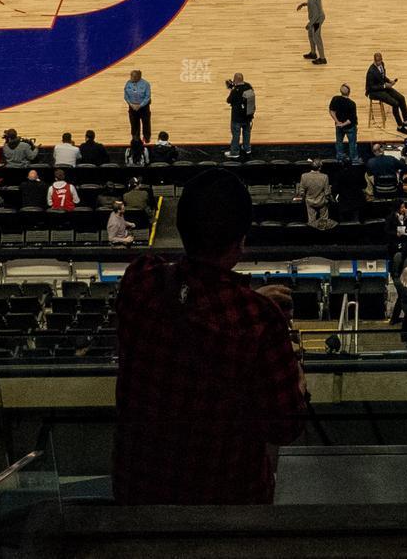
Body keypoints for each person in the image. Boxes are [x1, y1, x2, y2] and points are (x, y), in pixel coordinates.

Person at [112, 170, 307, 504]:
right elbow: (286, 426)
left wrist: (249, 300)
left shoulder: (140, 281)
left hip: (138, 497)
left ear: (181, 227)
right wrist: (294, 355)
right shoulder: (258, 320)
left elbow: (189, 294)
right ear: (241, 241)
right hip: (227, 506)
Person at [365, 53, 407, 132]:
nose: (379, 62)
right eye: (378, 61)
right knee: (395, 103)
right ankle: (399, 126)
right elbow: (370, 87)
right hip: (373, 92)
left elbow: (382, 76)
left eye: (380, 60)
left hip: (382, 87)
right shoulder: (371, 71)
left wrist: (389, 81)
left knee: (401, 98)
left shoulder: (382, 64)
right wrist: (384, 86)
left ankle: (406, 121)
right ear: (374, 60)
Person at [225, 73, 256, 158]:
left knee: (236, 135)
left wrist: (231, 89)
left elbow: (229, 100)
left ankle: (234, 152)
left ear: (235, 80)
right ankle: (247, 148)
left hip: (237, 118)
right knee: (247, 133)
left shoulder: (235, 90)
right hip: (248, 116)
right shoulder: (248, 86)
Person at [297, 0, 328, 64]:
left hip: (317, 20)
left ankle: (322, 58)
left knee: (317, 38)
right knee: (310, 35)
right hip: (316, 18)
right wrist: (304, 4)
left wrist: (309, 24)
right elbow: (315, 4)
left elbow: (316, 15)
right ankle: (313, 53)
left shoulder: (311, 0)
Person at [123, 69, 153, 150]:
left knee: (146, 123)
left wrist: (140, 105)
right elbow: (126, 96)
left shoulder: (146, 84)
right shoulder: (128, 83)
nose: (131, 78)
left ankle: (147, 137)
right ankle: (136, 139)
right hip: (132, 107)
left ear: (138, 77)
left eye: (133, 76)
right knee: (134, 123)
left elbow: (148, 97)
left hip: (143, 108)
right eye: (131, 76)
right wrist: (131, 104)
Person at [298, 161, 335, 229]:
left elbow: (301, 192)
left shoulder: (304, 176)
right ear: (320, 168)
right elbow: (327, 192)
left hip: (310, 201)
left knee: (311, 222)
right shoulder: (324, 177)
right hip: (322, 201)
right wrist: (330, 200)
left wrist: (303, 199)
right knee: (324, 222)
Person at [328, 85, 359, 164]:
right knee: (352, 144)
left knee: (339, 142)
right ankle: (354, 159)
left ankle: (340, 158)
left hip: (339, 126)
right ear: (349, 93)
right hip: (350, 127)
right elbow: (351, 119)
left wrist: (338, 122)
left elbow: (332, 111)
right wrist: (343, 124)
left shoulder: (335, 99)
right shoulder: (352, 104)